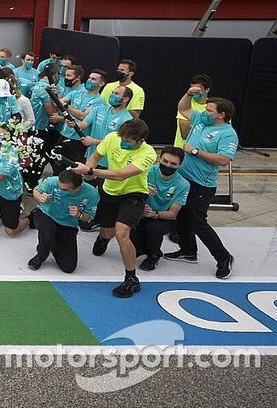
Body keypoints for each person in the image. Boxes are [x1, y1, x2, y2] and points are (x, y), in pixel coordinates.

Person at [72, 118, 158, 298]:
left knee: (122, 232)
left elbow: (121, 175)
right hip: (109, 191)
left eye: (128, 142)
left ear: (140, 140)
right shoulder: (112, 137)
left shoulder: (148, 153)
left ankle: (131, 278)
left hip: (134, 193)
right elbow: (95, 156)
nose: (123, 143)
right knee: (108, 232)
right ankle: (103, 239)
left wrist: (90, 172)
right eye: (122, 139)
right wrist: (88, 170)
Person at [165, 93, 237, 279]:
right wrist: (189, 94)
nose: (204, 112)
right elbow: (183, 107)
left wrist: (195, 151)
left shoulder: (228, 134)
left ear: (220, 115)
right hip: (183, 178)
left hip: (202, 185)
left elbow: (223, 160)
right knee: (180, 215)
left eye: (209, 110)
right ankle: (188, 251)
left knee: (198, 222)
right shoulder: (201, 120)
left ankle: (223, 257)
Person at [28, 170, 100, 273]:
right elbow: (36, 190)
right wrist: (40, 198)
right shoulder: (53, 181)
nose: (60, 190)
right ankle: (41, 256)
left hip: (68, 224)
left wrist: (79, 214)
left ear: (78, 187)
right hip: (46, 214)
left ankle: (53, 243)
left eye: (65, 189)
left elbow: (89, 217)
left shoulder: (92, 194)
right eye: (59, 186)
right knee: (47, 231)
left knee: (68, 267)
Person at [132, 147, 190, 271]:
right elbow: (128, 192)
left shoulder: (183, 185)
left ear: (180, 165)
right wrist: (142, 191)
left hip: (163, 217)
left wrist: (154, 214)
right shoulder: (146, 172)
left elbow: (173, 213)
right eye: (165, 161)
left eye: (173, 164)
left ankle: (154, 255)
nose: (168, 165)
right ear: (159, 159)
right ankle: (141, 249)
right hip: (140, 212)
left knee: (153, 228)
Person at [51, 67, 106, 164]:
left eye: (93, 79)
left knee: (72, 170)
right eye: (89, 78)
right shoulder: (77, 93)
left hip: (79, 140)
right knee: (56, 164)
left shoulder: (100, 102)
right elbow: (58, 103)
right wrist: (54, 95)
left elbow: (83, 116)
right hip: (64, 134)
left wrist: (67, 107)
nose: (89, 80)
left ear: (101, 84)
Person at [174, 74, 212, 147]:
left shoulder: (213, 107)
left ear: (207, 90)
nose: (194, 91)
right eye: (192, 88)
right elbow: (185, 134)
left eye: (198, 89)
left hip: (203, 151)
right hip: (183, 150)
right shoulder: (186, 104)